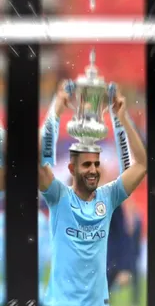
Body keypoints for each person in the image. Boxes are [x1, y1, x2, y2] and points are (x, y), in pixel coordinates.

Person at [39, 87, 147, 306]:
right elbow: (36, 162)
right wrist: (56, 110)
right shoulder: (59, 196)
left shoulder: (109, 197)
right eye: (86, 164)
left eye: (96, 164)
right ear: (71, 168)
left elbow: (142, 165)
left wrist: (122, 119)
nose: (93, 170)